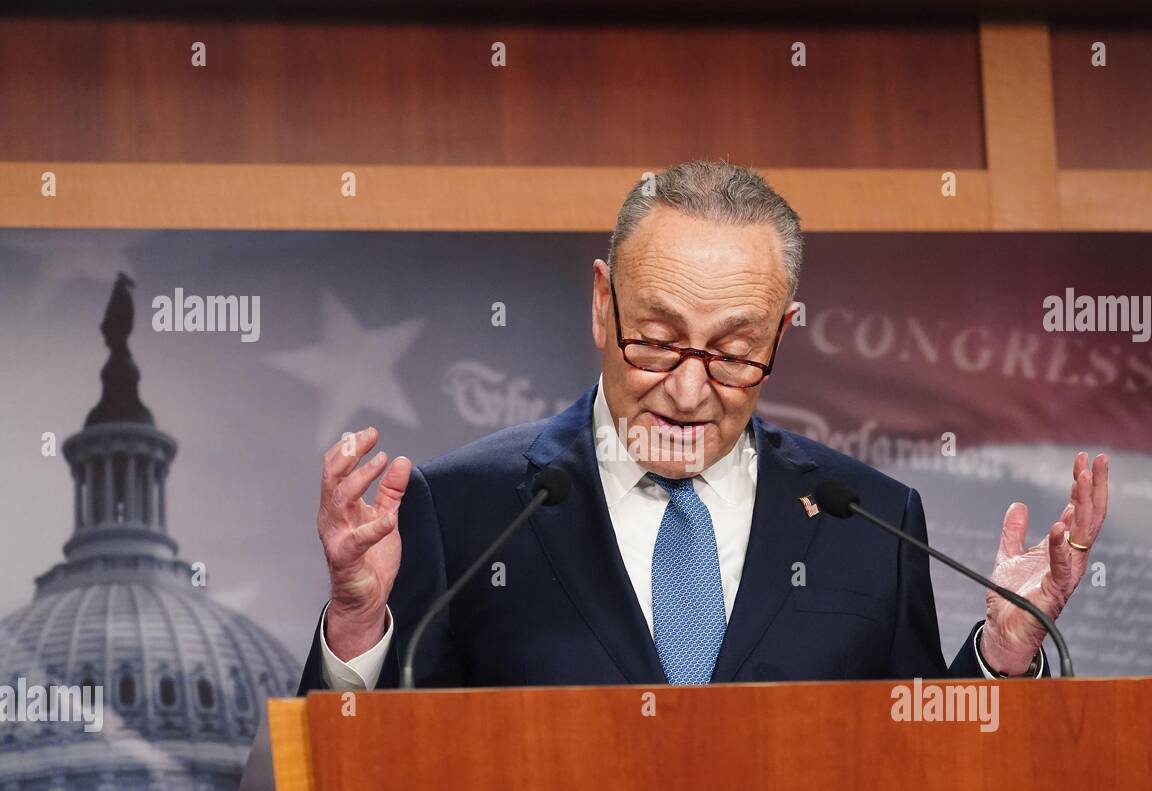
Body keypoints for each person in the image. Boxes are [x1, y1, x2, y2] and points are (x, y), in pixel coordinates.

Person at [298, 160, 1108, 693]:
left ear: (783, 334)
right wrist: (361, 626)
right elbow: (371, 782)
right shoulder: (465, 507)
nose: (687, 390)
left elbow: (927, 775)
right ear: (599, 302)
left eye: (733, 352)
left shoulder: (870, 521)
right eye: (653, 340)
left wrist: (1003, 652)